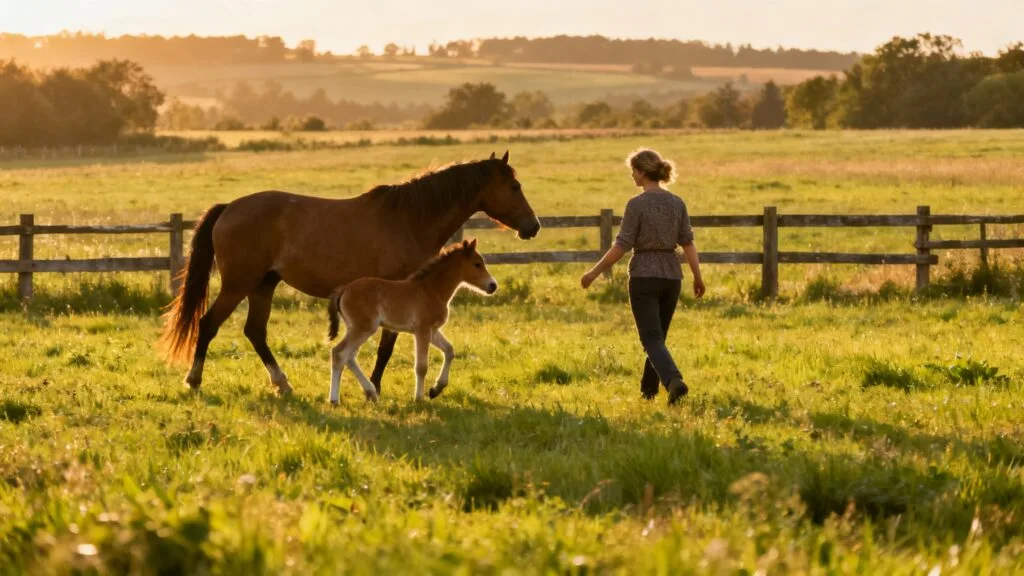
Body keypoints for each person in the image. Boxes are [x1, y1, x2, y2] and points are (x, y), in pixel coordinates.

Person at [580, 148, 705, 405]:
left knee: (651, 338)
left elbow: (621, 245)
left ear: (642, 171)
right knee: (658, 337)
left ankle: (673, 380)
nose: (632, 176)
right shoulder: (677, 202)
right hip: (672, 276)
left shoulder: (636, 205)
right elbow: (688, 243)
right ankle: (648, 392)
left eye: (633, 171)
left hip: (644, 276)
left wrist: (594, 272)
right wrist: (697, 276)